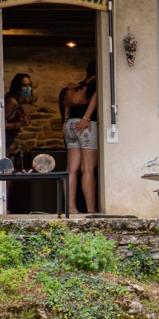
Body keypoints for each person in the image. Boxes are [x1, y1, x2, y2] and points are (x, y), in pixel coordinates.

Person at [63, 61, 98, 214]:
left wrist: (65, 121)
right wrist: (86, 118)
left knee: (71, 170)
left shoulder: (79, 85)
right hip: (86, 125)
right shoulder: (98, 83)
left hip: (70, 124)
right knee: (88, 169)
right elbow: (97, 98)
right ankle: (90, 210)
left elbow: (67, 102)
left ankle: (71, 209)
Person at [4, 73, 32, 151]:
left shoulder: (18, 102)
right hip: (6, 137)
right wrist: (20, 124)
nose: (27, 88)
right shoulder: (12, 101)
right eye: (24, 85)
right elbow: (1, 125)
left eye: (29, 85)